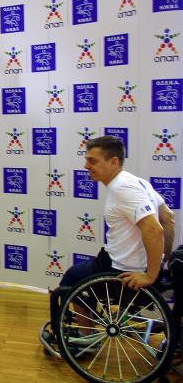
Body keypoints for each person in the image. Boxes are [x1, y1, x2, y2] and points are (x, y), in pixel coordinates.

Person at [60, 136, 175, 340]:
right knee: (84, 271)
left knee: (72, 279)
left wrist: (151, 275)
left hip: (121, 272)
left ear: (113, 161)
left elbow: (154, 229)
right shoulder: (137, 182)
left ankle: (86, 336)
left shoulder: (122, 188)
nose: (86, 166)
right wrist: (163, 259)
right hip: (125, 263)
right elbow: (168, 218)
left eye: (92, 161)